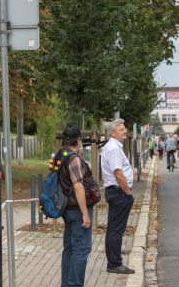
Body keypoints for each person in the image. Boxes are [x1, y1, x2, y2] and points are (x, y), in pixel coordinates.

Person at [59, 126, 93, 287]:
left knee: (69, 249)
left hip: (66, 208)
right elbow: (78, 187)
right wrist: (85, 213)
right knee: (81, 249)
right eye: (80, 140)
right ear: (78, 141)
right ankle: (74, 285)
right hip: (77, 210)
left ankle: (66, 284)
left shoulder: (61, 156)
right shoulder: (74, 159)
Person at [101, 119, 135, 274]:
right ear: (112, 132)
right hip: (119, 192)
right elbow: (118, 173)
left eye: (124, 128)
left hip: (115, 191)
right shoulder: (114, 148)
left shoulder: (111, 147)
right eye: (121, 129)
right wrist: (127, 192)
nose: (125, 131)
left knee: (113, 229)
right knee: (116, 230)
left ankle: (113, 262)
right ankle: (115, 263)